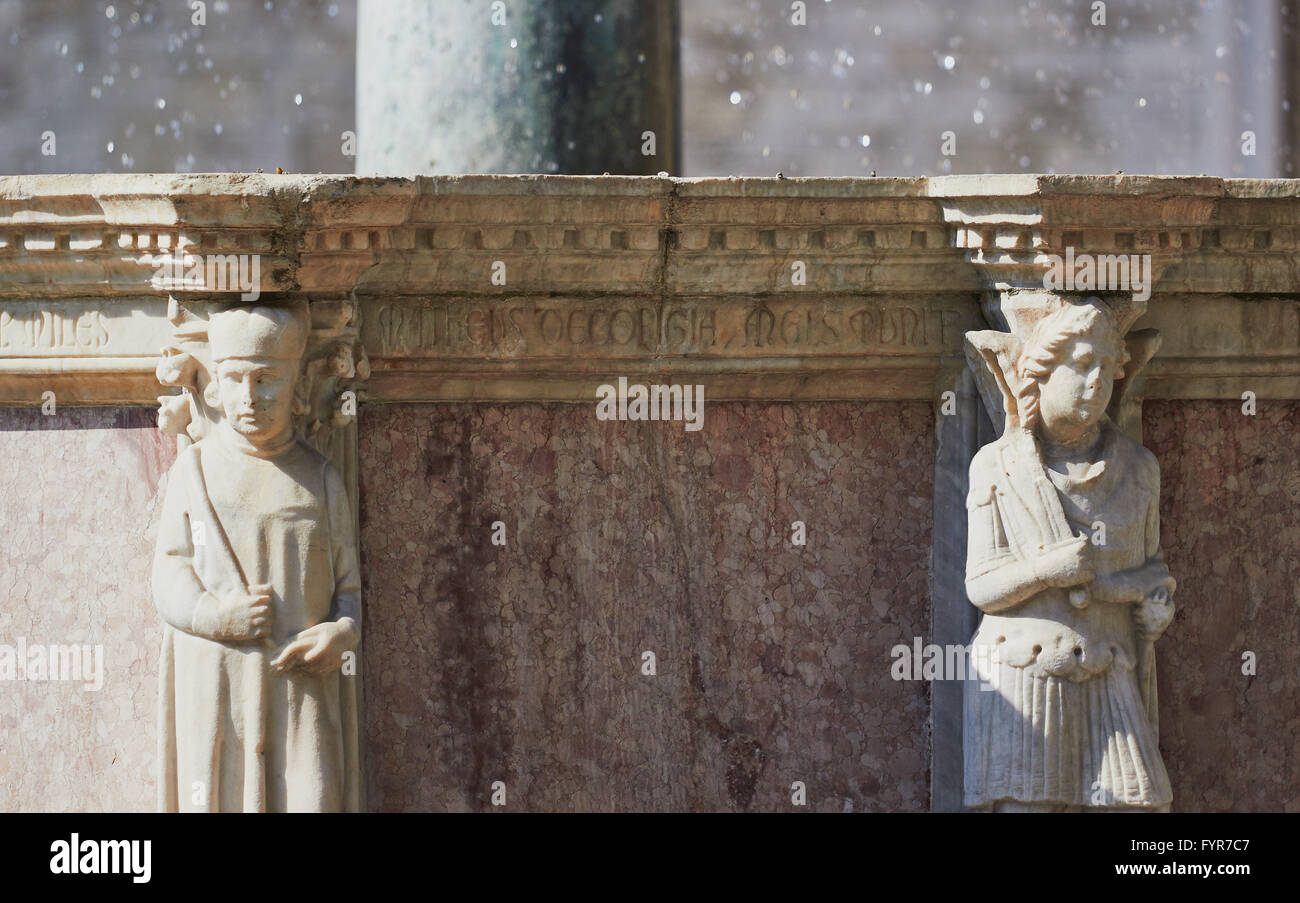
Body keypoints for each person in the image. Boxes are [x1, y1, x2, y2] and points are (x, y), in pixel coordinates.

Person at [964, 298, 1175, 811]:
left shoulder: (1140, 469)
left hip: (1110, 665)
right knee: (1031, 803)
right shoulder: (998, 466)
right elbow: (981, 585)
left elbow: (1151, 570)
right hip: (1027, 670)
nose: (1095, 383)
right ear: (1038, 374)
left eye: (1106, 370)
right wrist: (1044, 570)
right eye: (1081, 366)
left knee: (1139, 802)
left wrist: (1154, 607)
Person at [152, 304, 361, 812]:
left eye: (267, 380)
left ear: (296, 386)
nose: (250, 398)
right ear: (215, 386)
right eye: (235, 379)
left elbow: (348, 590)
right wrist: (215, 616)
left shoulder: (322, 479)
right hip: (219, 683)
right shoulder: (195, 471)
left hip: (300, 691)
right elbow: (169, 569)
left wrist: (342, 632)